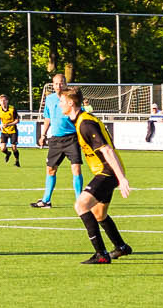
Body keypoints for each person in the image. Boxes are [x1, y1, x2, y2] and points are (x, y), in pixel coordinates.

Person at [63, 88, 132, 264]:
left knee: (81, 204)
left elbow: (107, 150)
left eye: (61, 101)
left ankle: (101, 254)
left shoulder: (86, 123)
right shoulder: (81, 121)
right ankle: (121, 247)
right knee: (99, 214)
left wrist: (121, 177)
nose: (60, 105)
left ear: (71, 103)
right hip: (106, 171)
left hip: (107, 171)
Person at [33, 75, 86, 208]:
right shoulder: (50, 99)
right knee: (51, 169)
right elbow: (47, 118)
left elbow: (81, 115)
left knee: (76, 168)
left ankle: (79, 201)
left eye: (61, 83)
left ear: (65, 84)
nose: (58, 86)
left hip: (71, 138)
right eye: (56, 84)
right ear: (53, 85)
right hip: (55, 139)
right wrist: (43, 134)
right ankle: (46, 200)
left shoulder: (72, 97)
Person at [0, 93, 21, 166]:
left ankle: (17, 161)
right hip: (4, 131)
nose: (3, 102)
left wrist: (8, 124)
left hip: (13, 130)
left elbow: (17, 121)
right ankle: (8, 153)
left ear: (7, 101)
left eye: (4, 100)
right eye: (1, 101)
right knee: (2, 148)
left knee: (14, 147)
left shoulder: (12, 109)